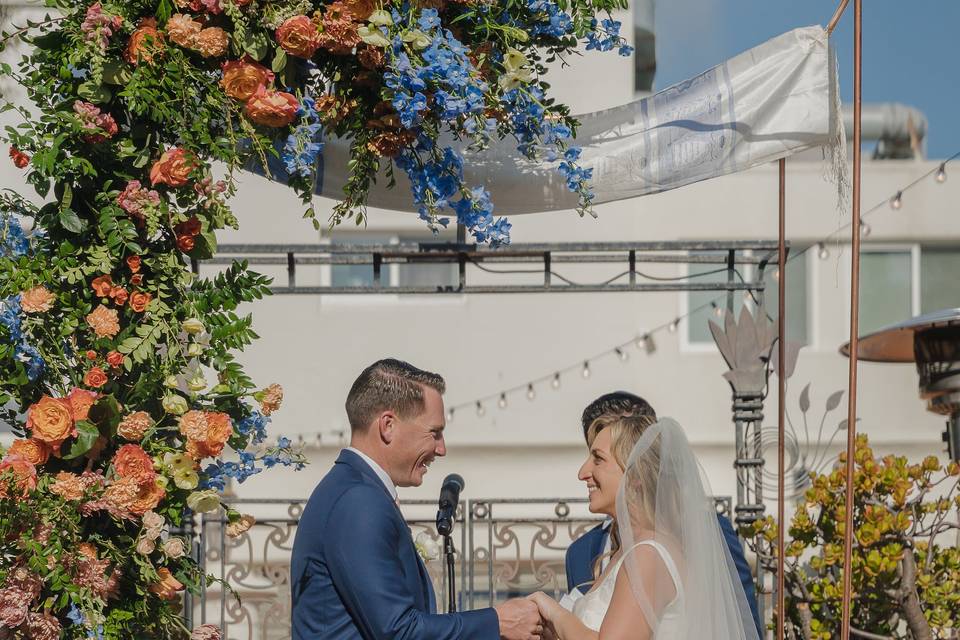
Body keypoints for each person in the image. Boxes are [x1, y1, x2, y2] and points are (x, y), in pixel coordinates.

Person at [290, 358, 542, 639]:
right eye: (434, 433)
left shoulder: (352, 489)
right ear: (388, 426)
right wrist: (497, 622)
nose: (441, 449)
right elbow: (398, 631)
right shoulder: (359, 501)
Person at [530, 417, 760, 640]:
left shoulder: (647, 554)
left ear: (635, 476)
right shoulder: (629, 549)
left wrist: (554, 612)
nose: (583, 473)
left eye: (598, 459)